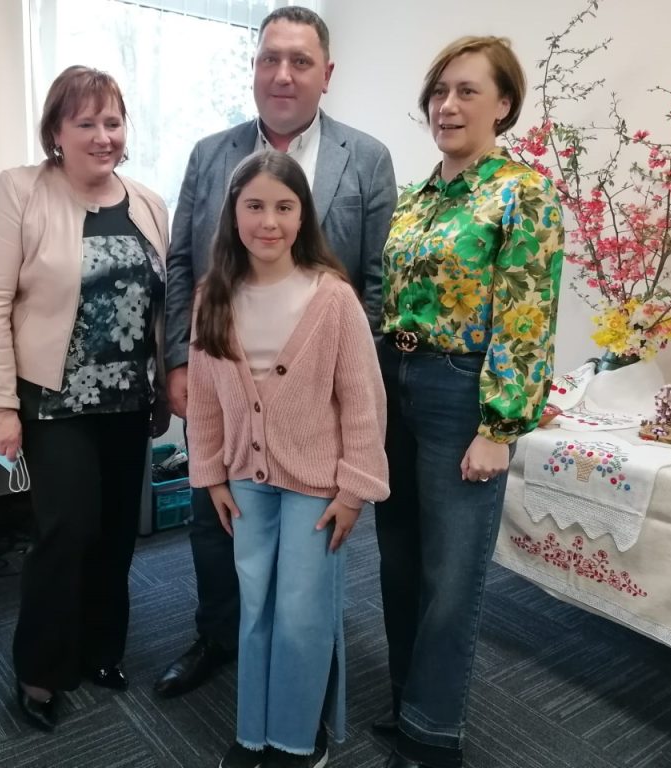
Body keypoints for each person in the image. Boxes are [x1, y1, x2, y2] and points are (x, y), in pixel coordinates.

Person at [156, 4, 397, 701]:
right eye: (270, 59)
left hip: (313, 399)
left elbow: (376, 280)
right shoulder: (210, 154)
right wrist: (180, 360)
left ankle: (303, 658)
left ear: (327, 73)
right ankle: (218, 635)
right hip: (225, 383)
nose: (282, 74)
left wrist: (339, 375)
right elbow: (183, 263)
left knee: (307, 543)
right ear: (254, 68)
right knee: (217, 518)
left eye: (299, 61)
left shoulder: (367, 158)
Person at [0, 65, 170, 733]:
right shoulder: (20, 192)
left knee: (116, 532)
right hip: (54, 401)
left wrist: (164, 387)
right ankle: (41, 670)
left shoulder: (147, 202)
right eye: (86, 123)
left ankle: (102, 648)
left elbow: (163, 307)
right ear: (56, 131)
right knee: (65, 532)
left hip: (128, 399)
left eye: (113, 122)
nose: (103, 136)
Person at [372, 37, 565, 768]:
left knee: (450, 574)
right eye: (439, 91)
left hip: (461, 393)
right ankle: (405, 702)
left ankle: (433, 734)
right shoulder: (416, 198)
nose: (447, 106)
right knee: (397, 559)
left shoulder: (522, 192)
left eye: (467, 92)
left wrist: (499, 426)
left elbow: (527, 314)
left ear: (504, 105)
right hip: (395, 381)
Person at [188, 150, 389, 768]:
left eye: (283, 206)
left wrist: (354, 489)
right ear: (234, 213)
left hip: (315, 485)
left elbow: (362, 399)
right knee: (254, 608)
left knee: (302, 613)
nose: (268, 221)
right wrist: (211, 475)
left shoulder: (332, 298)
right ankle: (253, 732)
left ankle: (298, 739)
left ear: (303, 216)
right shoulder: (213, 296)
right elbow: (204, 399)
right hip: (245, 481)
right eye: (254, 206)